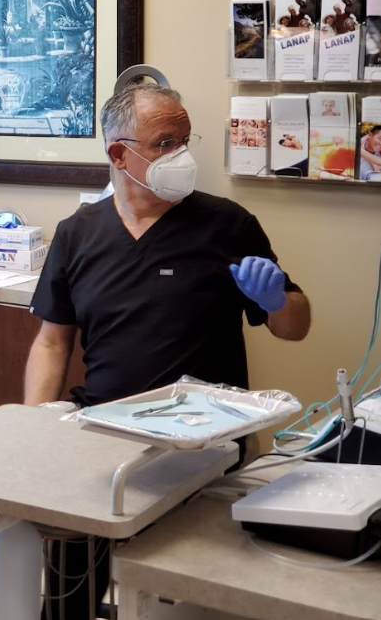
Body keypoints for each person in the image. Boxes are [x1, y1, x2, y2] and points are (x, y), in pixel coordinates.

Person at [25, 82, 311, 619]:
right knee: (68, 589)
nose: (180, 155)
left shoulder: (227, 224)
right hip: (104, 434)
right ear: (118, 154)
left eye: (184, 140)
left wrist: (278, 300)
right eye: (164, 143)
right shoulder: (77, 234)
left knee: (184, 595)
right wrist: (38, 423)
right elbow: (51, 340)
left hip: (206, 447)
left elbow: (294, 327)